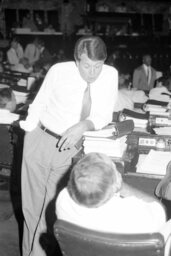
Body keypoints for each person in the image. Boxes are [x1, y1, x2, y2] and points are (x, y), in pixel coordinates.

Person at [20, 35, 118, 256]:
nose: (92, 72)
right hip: (40, 139)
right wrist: (30, 136)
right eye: (86, 66)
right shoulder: (58, 71)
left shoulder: (110, 75)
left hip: (71, 148)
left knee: (51, 211)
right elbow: (39, 104)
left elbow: (103, 114)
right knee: (31, 210)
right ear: (76, 60)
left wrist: (84, 125)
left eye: (97, 66)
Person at [56, 152, 166, 234]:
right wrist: (122, 187)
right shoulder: (135, 214)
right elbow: (159, 209)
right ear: (116, 181)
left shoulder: (63, 201)